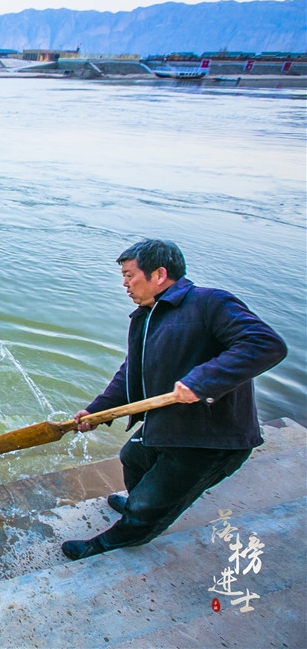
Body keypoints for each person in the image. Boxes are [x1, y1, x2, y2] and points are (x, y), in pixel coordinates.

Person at [61, 239, 287, 561]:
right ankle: (140, 504)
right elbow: (132, 372)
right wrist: (98, 411)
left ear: (159, 274)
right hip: (168, 424)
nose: (125, 284)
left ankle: (117, 538)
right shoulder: (147, 316)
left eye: (129, 275)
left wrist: (201, 382)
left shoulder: (210, 302)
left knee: (151, 504)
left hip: (210, 439)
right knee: (133, 457)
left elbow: (265, 344)